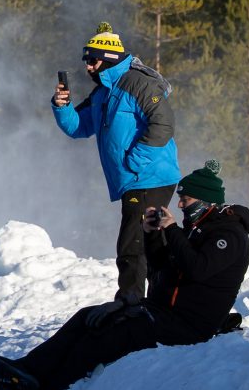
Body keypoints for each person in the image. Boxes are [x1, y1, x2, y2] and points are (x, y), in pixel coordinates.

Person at [0, 161, 249, 390]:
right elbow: (162, 268)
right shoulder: (195, 231)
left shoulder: (229, 235)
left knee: (110, 335)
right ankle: (28, 370)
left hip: (190, 325)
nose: (180, 205)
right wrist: (152, 235)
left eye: (186, 199)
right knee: (88, 317)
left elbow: (197, 269)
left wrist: (171, 230)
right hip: (164, 312)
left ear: (206, 200)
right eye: (180, 198)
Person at [52, 23, 181, 318]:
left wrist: (134, 161)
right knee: (152, 239)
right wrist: (62, 106)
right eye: (86, 60)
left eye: (92, 60)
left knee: (132, 238)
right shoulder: (103, 92)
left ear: (108, 58)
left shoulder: (137, 83)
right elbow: (78, 127)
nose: (87, 66)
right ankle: (162, 300)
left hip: (149, 176)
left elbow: (163, 123)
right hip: (135, 179)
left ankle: (130, 301)